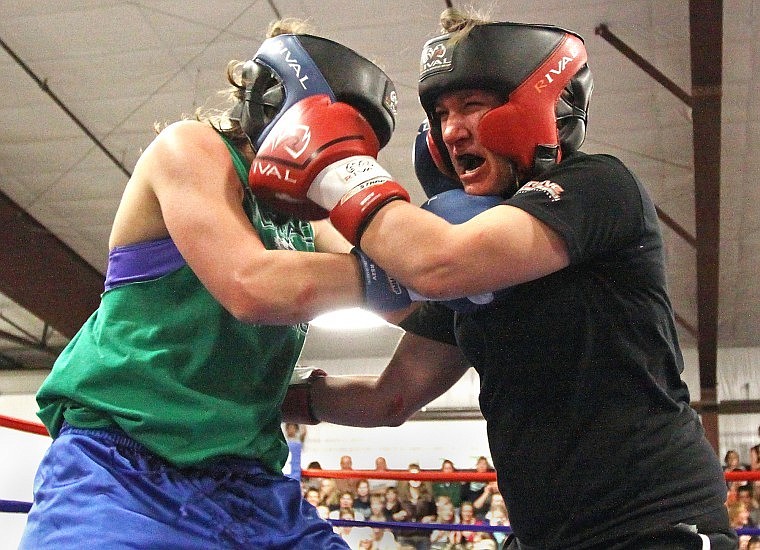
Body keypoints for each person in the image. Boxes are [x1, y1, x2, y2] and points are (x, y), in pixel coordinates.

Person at [263, 7, 738, 549]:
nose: (451, 128)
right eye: (441, 112)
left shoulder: (598, 186)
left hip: (651, 525)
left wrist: (336, 166)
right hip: (546, 536)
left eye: (472, 105)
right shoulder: (472, 274)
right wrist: (276, 396)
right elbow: (390, 397)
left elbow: (435, 263)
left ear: (539, 105)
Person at [19, 18, 402, 550]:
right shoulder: (193, 149)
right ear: (272, 103)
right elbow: (252, 285)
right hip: (120, 465)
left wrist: (473, 269)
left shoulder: (305, 220)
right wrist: (410, 274)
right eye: (338, 130)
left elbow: (416, 299)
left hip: (248, 483)